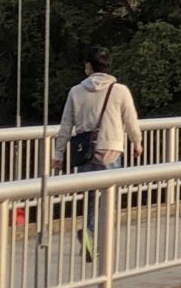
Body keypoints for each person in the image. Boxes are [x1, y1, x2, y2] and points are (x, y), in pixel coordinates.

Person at [58, 45, 141, 263]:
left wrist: (57, 155)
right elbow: (131, 121)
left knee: (91, 198)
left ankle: (89, 232)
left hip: (84, 152)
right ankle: (97, 239)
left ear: (89, 67)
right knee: (109, 199)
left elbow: (66, 125)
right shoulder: (120, 90)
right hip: (112, 149)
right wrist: (137, 143)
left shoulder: (76, 91)